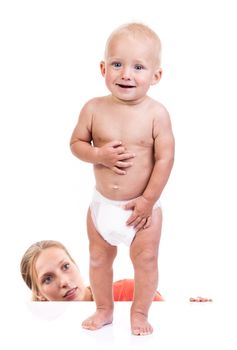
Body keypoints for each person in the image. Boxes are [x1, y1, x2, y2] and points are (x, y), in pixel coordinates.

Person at [70, 22, 175, 336]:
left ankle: (140, 313)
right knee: (99, 259)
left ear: (156, 76)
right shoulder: (93, 109)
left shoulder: (157, 114)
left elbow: (165, 159)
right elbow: (76, 144)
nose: (126, 74)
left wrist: (147, 200)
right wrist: (99, 155)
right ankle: (103, 308)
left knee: (145, 260)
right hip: (102, 207)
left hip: (141, 211)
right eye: (117, 64)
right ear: (103, 68)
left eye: (138, 67)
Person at [20, 240, 163, 302]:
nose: (64, 282)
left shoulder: (130, 292)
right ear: (39, 294)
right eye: (48, 279)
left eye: (65, 266)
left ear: (75, 265)